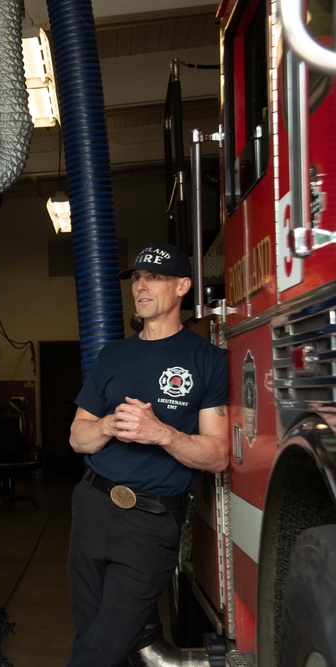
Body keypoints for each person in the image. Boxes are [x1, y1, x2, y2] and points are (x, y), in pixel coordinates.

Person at [67, 243, 228, 666]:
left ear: (182, 286)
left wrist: (161, 433)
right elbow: (77, 439)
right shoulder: (113, 355)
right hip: (93, 507)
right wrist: (107, 424)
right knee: (94, 635)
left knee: (104, 645)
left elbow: (217, 456)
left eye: (153, 277)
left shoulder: (208, 361)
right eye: (136, 278)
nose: (140, 285)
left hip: (151, 521)